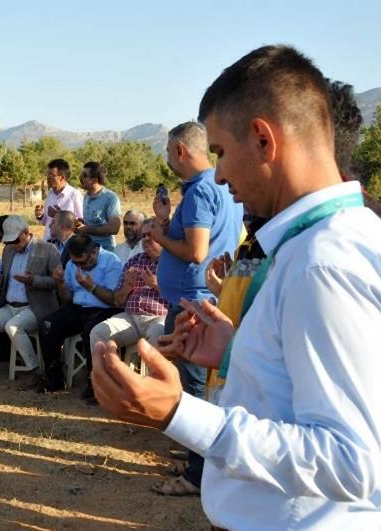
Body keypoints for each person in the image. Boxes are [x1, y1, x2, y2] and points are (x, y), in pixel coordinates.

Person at [91, 45, 381, 529]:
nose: (222, 174)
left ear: (263, 139)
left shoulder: (323, 261)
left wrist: (175, 412)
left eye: (223, 152)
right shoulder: (328, 241)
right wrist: (240, 353)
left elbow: (349, 461)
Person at [147, 120, 243, 496]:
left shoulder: (201, 192)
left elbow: (197, 251)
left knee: (195, 388)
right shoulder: (214, 186)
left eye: (169, 152)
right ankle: (196, 461)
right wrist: (166, 222)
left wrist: (157, 236)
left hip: (193, 302)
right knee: (200, 386)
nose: (168, 160)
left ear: (181, 151)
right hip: (203, 298)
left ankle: (198, 474)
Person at [0, 215, 61, 385]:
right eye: (9, 242)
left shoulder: (48, 249)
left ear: (26, 232)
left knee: (13, 327)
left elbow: (57, 282)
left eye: (16, 240)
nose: (14, 245)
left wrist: (34, 281)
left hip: (35, 307)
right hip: (10, 306)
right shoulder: (9, 250)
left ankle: (35, 370)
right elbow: (5, 277)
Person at [36, 233, 123, 399]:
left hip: (104, 309)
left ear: (94, 251)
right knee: (47, 325)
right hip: (77, 307)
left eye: (84, 262)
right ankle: (54, 378)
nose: (80, 266)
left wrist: (92, 287)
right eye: (77, 263)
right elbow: (67, 298)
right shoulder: (71, 264)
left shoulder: (112, 262)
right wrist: (60, 283)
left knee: (92, 330)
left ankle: (95, 383)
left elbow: (114, 300)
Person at [89, 218, 168, 353]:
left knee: (158, 334)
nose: (146, 239)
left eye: (151, 235)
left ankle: (155, 374)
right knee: (98, 333)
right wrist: (127, 286)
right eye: (143, 236)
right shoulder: (134, 261)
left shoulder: (172, 263)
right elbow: (117, 301)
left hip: (159, 317)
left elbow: (180, 299)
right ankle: (108, 374)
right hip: (131, 317)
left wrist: (156, 285)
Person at [75, 162, 122, 252]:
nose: (81, 178)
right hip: (88, 249)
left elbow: (114, 228)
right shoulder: (87, 196)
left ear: (95, 180)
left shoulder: (111, 198)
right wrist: (80, 224)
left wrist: (88, 230)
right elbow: (92, 223)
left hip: (105, 250)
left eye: (84, 175)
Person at [35, 159, 83, 241]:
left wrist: (58, 215)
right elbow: (47, 221)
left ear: (62, 177)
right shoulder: (50, 194)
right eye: (47, 175)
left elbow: (81, 223)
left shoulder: (74, 195)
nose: (48, 178)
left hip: (66, 245)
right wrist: (40, 216)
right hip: (48, 242)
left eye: (51, 175)